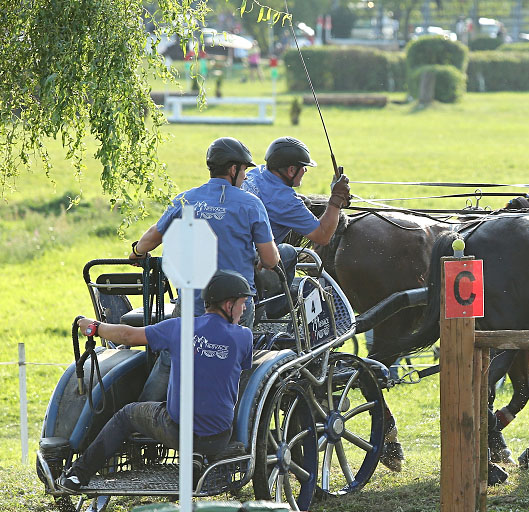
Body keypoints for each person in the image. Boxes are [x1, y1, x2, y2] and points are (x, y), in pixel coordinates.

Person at [57, 271, 256, 491]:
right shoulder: (244, 337)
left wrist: (94, 327)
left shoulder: (178, 327)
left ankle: (78, 475)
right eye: (242, 303)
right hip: (219, 437)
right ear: (228, 305)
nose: (244, 309)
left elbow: (127, 336)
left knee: (127, 414)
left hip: (176, 433)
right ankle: (196, 458)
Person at [130, 137, 279, 329]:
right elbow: (271, 260)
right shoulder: (251, 204)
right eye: (244, 170)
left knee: (180, 353)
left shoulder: (185, 199)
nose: (245, 176)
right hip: (234, 306)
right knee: (235, 354)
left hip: (192, 306)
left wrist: (137, 252)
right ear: (233, 170)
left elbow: (153, 235)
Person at [242, 137, 350, 315]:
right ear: (291, 170)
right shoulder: (284, 200)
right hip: (253, 267)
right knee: (288, 252)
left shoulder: (257, 173)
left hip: (234, 252)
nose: (306, 170)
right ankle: (272, 308)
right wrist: (336, 201)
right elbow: (323, 237)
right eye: (303, 167)